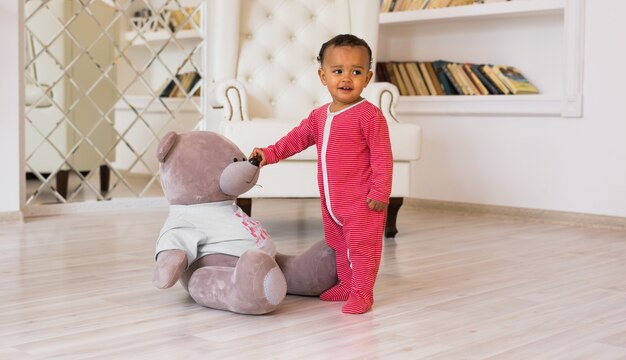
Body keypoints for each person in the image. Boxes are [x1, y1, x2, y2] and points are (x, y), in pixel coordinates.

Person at [249, 34, 393, 314]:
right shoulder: (319, 116)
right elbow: (295, 140)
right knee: (339, 245)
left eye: (356, 71)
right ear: (323, 75)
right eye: (338, 71)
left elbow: (382, 157)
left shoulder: (369, 116)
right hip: (332, 202)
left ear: (368, 77)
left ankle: (363, 293)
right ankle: (347, 285)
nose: (346, 78)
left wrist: (380, 192)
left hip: (362, 202)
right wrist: (269, 154)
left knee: (362, 249)